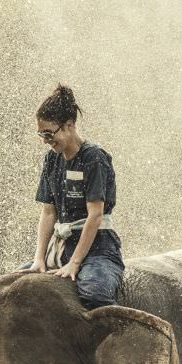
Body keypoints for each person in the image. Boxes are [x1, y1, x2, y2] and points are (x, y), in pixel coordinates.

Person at [24, 84, 125, 309]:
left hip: (98, 249)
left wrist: (75, 263)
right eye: (41, 134)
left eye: (49, 133)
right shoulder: (51, 160)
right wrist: (39, 258)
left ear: (69, 125)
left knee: (94, 294)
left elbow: (95, 216)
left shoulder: (94, 158)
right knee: (17, 288)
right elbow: (49, 213)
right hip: (63, 246)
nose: (45, 140)